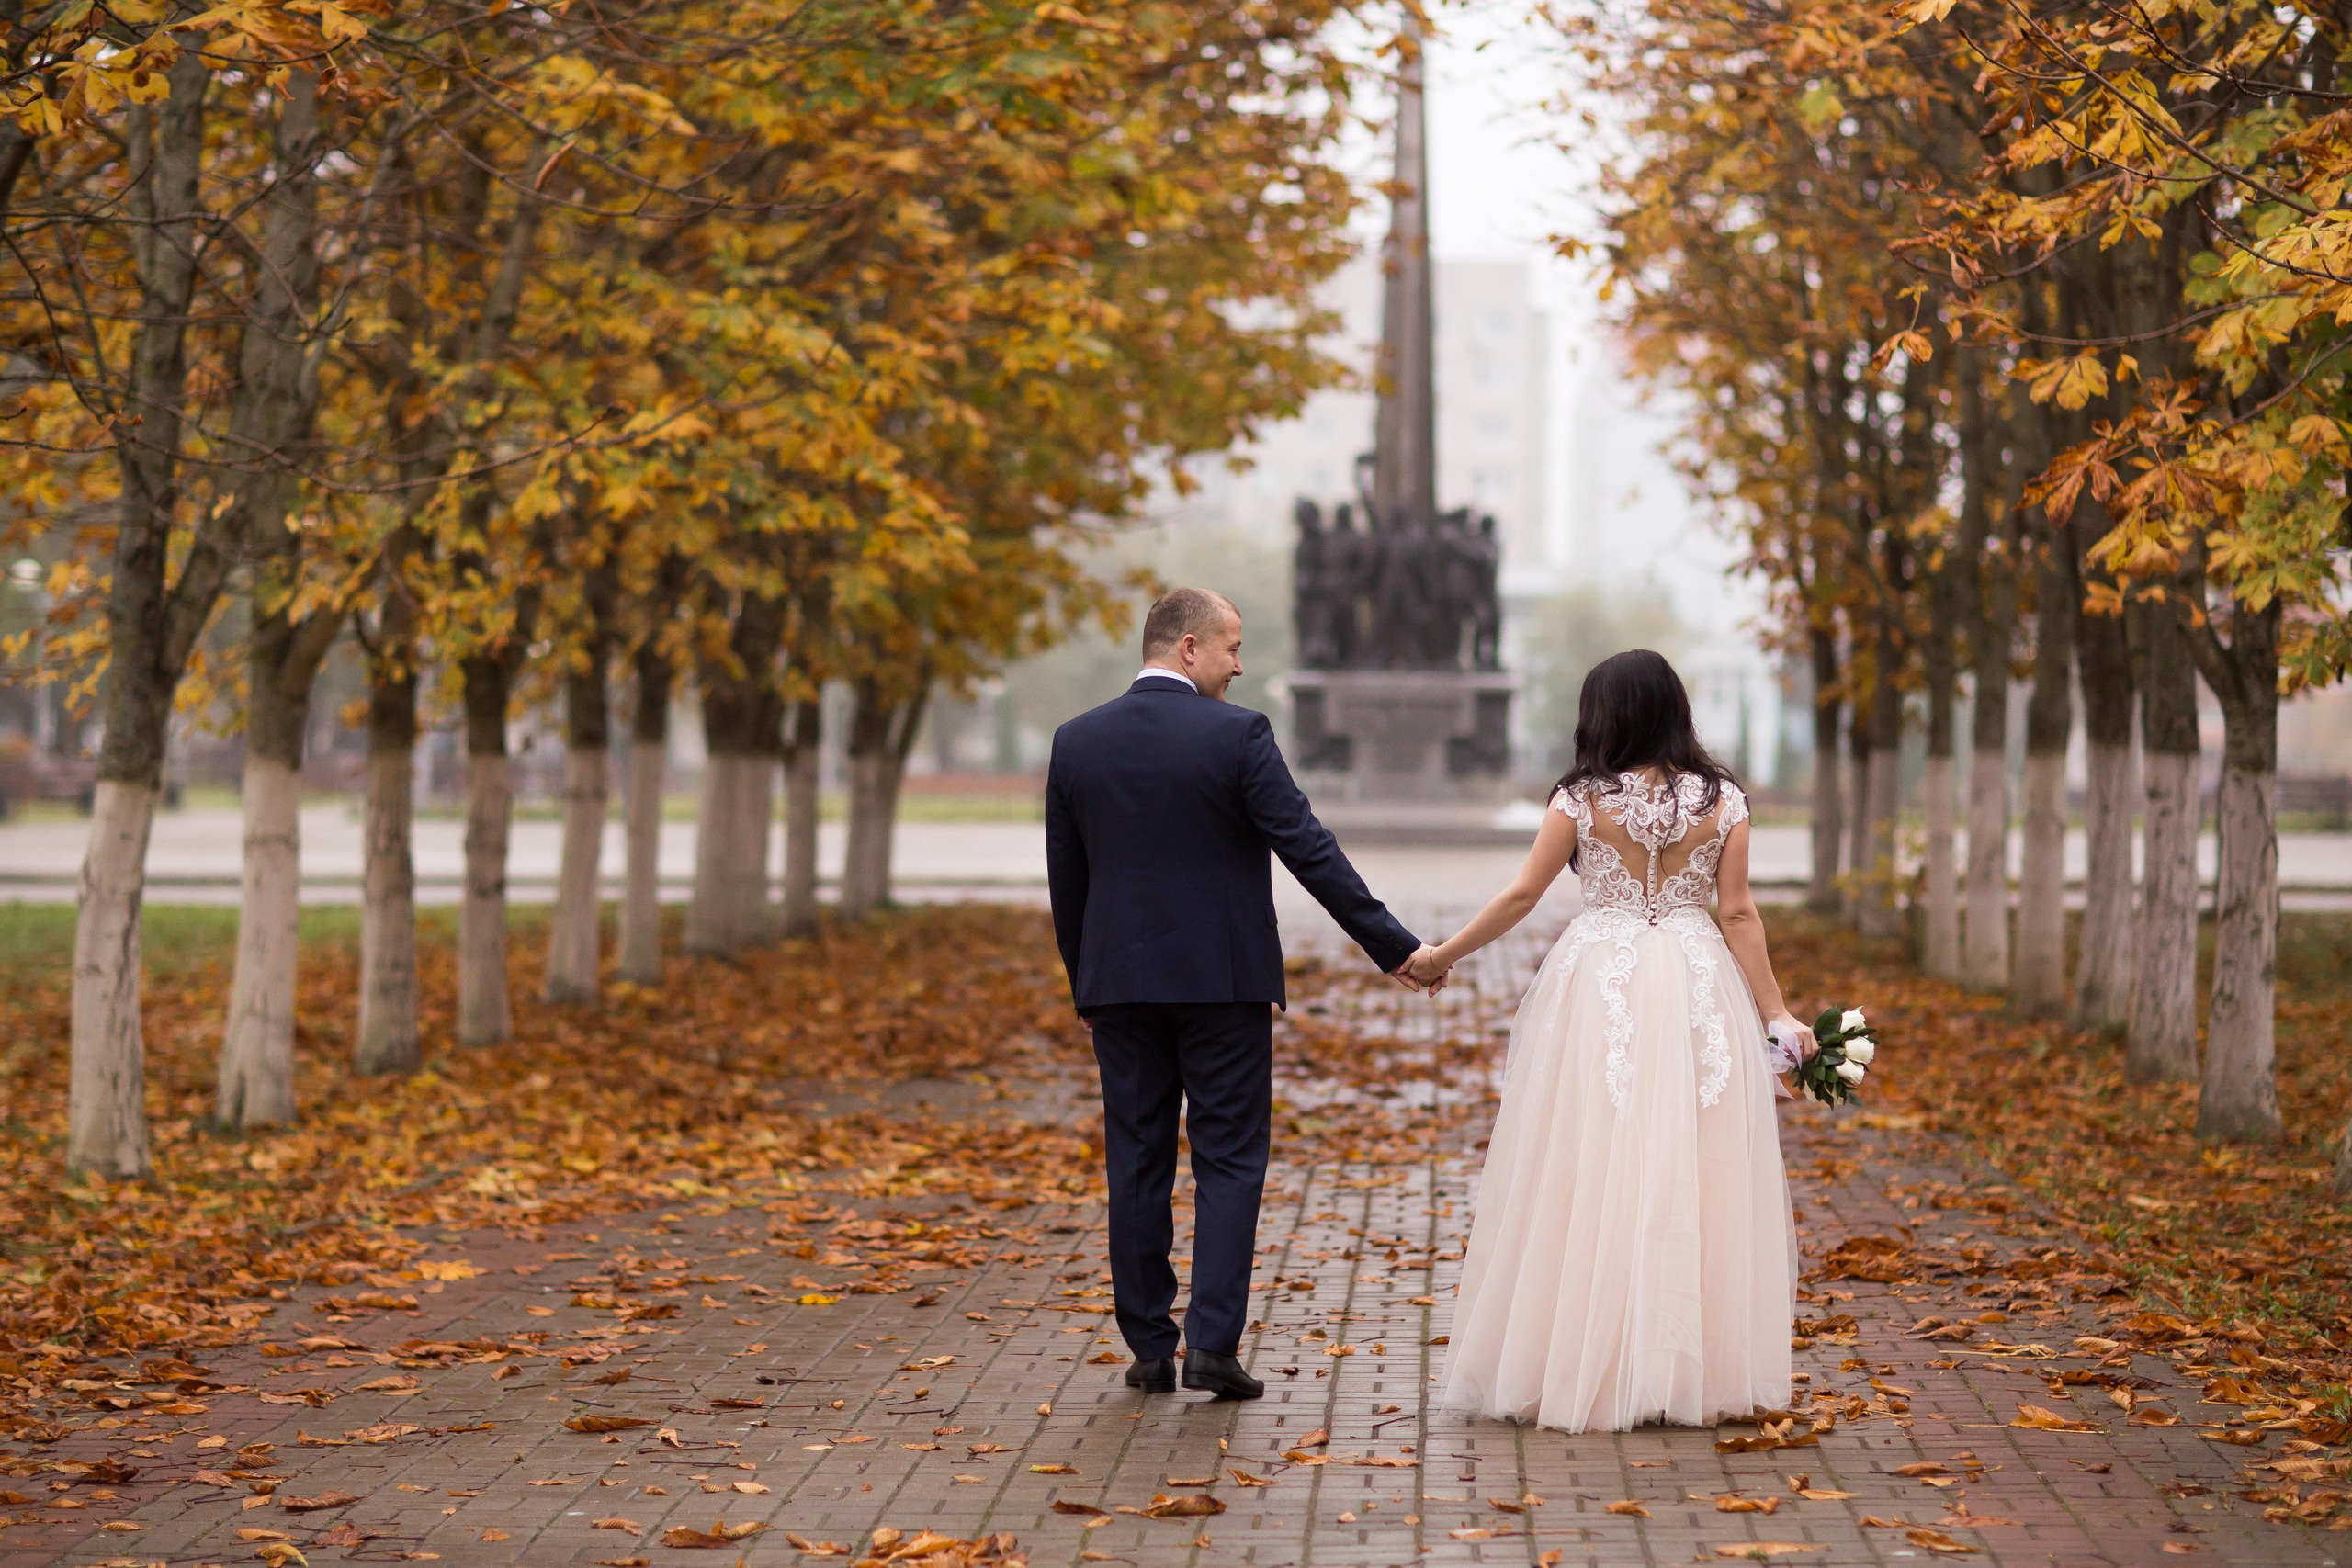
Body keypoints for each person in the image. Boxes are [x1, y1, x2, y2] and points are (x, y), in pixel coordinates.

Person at [1400, 649, 1807, 1432]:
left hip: (1602, 985)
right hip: (1696, 982)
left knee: (1589, 1160)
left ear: (1606, 714)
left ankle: (1594, 1360)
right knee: (1694, 1162)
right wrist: (1776, 1014)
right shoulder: (1723, 801)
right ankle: (1688, 1366)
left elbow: (1524, 892)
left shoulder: (1581, 798)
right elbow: (1740, 911)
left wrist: (1440, 956)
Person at [1044, 588, 1428, 1401]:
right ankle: (1212, 1344)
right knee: (1228, 1161)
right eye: (1231, 647)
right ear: (1188, 647)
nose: (1240, 665)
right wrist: (1394, 946)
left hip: (1118, 989)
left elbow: (1067, 880)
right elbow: (1308, 848)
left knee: (1136, 1161)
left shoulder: (1076, 742)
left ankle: (1149, 1346)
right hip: (1223, 987)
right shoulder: (1239, 734)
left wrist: (1090, 985)